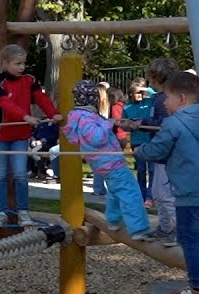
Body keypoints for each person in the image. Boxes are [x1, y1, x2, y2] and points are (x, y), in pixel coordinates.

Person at [133, 71, 199, 294]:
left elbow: (157, 150)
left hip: (190, 192)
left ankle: (197, 290)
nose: (164, 102)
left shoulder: (174, 123)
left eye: (167, 97)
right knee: (197, 237)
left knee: (187, 239)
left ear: (181, 99)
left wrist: (139, 152)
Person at [64, 80, 151, 240]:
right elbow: (96, 137)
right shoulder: (86, 118)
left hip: (104, 163)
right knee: (130, 191)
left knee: (115, 190)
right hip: (109, 162)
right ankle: (139, 229)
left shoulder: (79, 116)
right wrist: (106, 124)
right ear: (92, 99)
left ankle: (113, 220)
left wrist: (106, 122)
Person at [0, 44, 61, 227]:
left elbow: (41, 98)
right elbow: (5, 104)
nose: (21, 67)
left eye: (23, 63)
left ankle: (24, 211)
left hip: (20, 134)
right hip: (0, 133)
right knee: (1, 174)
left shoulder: (29, 80)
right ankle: (1, 212)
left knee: (20, 173)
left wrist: (52, 113)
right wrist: (25, 116)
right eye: (17, 63)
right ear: (5, 63)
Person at [119, 57, 180, 246]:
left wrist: (141, 124)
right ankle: (165, 227)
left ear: (156, 77)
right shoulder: (160, 97)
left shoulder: (164, 100)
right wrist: (140, 124)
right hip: (161, 152)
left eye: (150, 77)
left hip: (167, 153)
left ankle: (174, 230)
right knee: (157, 192)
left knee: (164, 194)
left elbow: (164, 124)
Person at [121, 79, 154, 202]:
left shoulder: (150, 102)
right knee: (141, 169)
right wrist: (128, 124)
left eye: (142, 92)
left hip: (150, 140)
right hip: (137, 140)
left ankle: (151, 196)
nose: (140, 95)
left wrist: (145, 89)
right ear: (131, 93)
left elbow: (157, 93)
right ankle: (141, 195)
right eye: (137, 92)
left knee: (152, 169)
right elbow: (122, 124)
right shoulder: (127, 107)